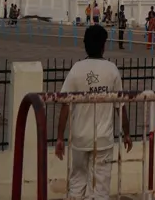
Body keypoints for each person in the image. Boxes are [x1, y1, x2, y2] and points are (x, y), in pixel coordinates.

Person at [55, 25, 132, 200]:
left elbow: (65, 106)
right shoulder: (112, 70)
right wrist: (127, 133)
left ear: (85, 45)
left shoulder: (76, 70)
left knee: (76, 184)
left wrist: (60, 137)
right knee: (100, 189)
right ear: (104, 45)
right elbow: (121, 107)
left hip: (80, 138)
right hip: (103, 140)